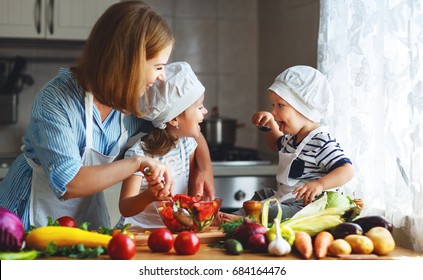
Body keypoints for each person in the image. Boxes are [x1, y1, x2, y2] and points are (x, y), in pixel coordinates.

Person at [0, 1, 213, 230]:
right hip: (26, 218)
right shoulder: (56, 100)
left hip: (85, 215)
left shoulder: (129, 103)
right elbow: (68, 183)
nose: (161, 77)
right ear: (130, 62)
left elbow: (175, 124)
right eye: (158, 67)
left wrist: (205, 168)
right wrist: (138, 163)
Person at [222, 65, 354, 222]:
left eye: (280, 105)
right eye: (273, 106)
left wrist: (319, 184)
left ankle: (239, 220)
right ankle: (237, 216)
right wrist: (269, 123)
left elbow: (347, 170)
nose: (274, 112)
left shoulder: (321, 141)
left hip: (306, 207)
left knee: (275, 211)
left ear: (302, 108)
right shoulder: (293, 138)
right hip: (287, 198)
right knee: (261, 195)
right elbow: (276, 143)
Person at [116, 61, 209, 228]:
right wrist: (150, 196)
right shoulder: (139, 154)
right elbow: (125, 207)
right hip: (139, 235)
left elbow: (192, 190)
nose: (205, 111)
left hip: (173, 232)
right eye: (199, 107)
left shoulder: (187, 144)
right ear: (174, 119)